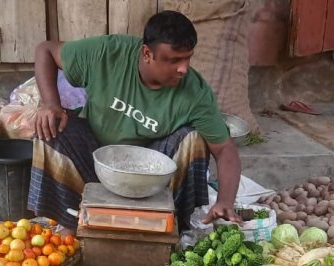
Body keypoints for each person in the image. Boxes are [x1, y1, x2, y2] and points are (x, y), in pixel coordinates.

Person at [27, 10, 242, 233]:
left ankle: (172, 227)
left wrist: (225, 202)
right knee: (49, 126)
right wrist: (50, 103)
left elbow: (225, 149)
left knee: (194, 139)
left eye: (188, 58)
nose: (183, 68)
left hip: (153, 177)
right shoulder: (107, 53)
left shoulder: (195, 93)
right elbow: (46, 50)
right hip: (94, 158)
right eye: (174, 60)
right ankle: (72, 225)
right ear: (147, 54)